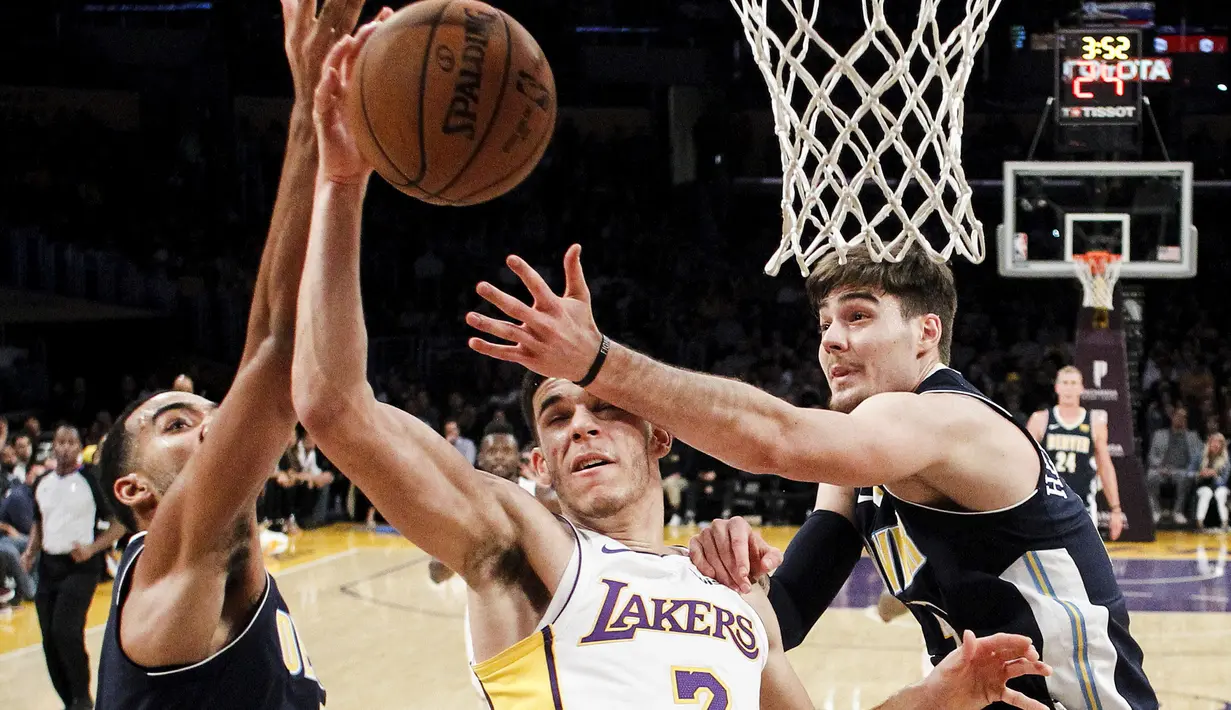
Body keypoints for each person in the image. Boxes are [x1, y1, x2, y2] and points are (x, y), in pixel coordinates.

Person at [290, 35, 1052, 710]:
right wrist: (339, 182)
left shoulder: (735, 597)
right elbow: (333, 407)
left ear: (660, 438)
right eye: (557, 418)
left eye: (603, 409)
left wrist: (933, 696)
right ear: (538, 466)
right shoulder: (523, 544)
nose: (582, 423)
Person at [466, 245, 1158, 709]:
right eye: (824, 322)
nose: (830, 338)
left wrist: (600, 362)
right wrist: (724, 572)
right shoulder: (863, 463)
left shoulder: (947, 419)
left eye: (857, 316)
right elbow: (787, 613)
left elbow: (776, 439)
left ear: (924, 333)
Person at [92, 2, 382, 708]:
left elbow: (262, 355)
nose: (211, 421)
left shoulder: (217, 562)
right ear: (135, 492)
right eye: (174, 424)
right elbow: (276, 356)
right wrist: (310, 116)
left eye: (206, 409)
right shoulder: (169, 565)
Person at [21, 426, 126, 710]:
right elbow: (39, 521)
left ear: (79, 447)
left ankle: (82, 697)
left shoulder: (91, 481)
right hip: (48, 566)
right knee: (49, 639)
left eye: (71, 442)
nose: (65, 447)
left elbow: (120, 523)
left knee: (66, 630)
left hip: (81, 567)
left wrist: (93, 548)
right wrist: (31, 551)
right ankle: (68, 700)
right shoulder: (42, 481)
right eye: (60, 442)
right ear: (53, 446)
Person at [1027, 366, 1124, 540]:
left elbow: (1105, 465)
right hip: (1047, 504)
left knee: (1086, 563)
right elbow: (1025, 463)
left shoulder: (1094, 423)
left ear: (1081, 388)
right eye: (1064, 383)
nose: (1069, 388)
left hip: (1082, 505)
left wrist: (1115, 509)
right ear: (1056, 387)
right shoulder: (1040, 419)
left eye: (1073, 383)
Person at [1145, 406, 1203, 525]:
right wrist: (1160, 467)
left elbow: (1199, 457)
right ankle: (1156, 511)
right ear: (1173, 417)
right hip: (1162, 469)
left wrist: (1191, 469)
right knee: (1151, 476)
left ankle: (1178, 511)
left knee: (1185, 477)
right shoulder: (1160, 434)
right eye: (1178, 416)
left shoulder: (1193, 436)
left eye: (1184, 417)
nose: (1181, 419)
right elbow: (1151, 456)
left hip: (1182, 470)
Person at [1192, 433, 1229, 530]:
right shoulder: (1200, 455)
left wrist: (1215, 475)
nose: (1216, 445)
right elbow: (1189, 472)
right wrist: (1200, 474)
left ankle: (1224, 523)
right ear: (1209, 443)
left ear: (1222, 446)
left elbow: (1224, 481)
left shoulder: (1226, 460)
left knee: (1221, 493)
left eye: (1219, 443)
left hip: (1219, 486)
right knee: (1206, 493)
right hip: (1202, 485)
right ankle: (1199, 523)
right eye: (1214, 442)